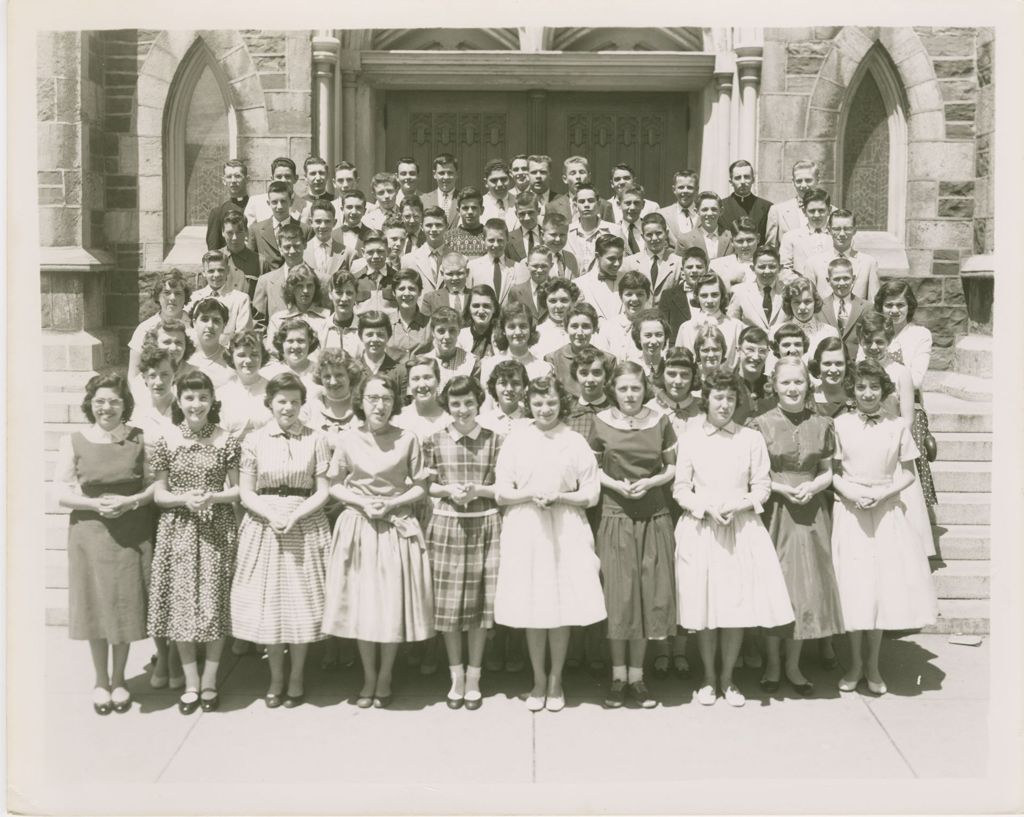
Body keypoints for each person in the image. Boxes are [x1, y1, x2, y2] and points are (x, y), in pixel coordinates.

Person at [672, 367, 794, 707]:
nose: (724, 405)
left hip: (741, 530)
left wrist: (742, 506)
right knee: (706, 608)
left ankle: (729, 680)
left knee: (735, 606)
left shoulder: (750, 439)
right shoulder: (691, 439)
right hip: (703, 529)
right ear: (706, 400)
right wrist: (706, 508)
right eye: (718, 397)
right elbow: (681, 489)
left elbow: (763, 486)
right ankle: (708, 679)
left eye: (730, 398)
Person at [493, 376, 605, 712]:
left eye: (552, 403)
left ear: (562, 404)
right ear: (530, 404)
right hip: (527, 528)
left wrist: (560, 497)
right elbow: (501, 491)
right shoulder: (516, 439)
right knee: (534, 606)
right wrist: (529, 494)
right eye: (539, 403)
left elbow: (591, 492)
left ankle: (556, 680)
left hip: (564, 528)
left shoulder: (573, 441)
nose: (545, 409)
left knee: (560, 607)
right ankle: (538, 679)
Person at [322, 375, 435, 708]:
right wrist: (359, 502)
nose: (379, 405)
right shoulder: (347, 440)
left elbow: (420, 486)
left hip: (394, 526)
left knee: (389, 606)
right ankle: (368, 676)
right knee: (363, 606)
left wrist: (393, 502)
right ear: (361, 401)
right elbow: (335, 485)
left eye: (386, 398)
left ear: (394, 403)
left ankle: (385, 675)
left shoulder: (408, 439)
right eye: (372, 398)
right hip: (358, 527)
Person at [831, 359, 937, 695]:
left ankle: (873, 664)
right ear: (853, 390)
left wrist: (882, 493)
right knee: (855, 588)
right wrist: (851, 493)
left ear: (884, 391)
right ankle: (854, 665)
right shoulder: (841, 424)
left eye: (874, 387)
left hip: (886, 511)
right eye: (861, 387)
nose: (867, 393)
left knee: (880, 589)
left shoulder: (896, 427)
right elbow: (831, 471)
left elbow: (908, 473)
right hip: (851, 511)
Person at [55, 374, 155, 715]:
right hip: (90, 532)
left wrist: (133, 503)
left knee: (124, 604)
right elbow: (60, 492)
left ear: (125, 404)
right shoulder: (75, 440)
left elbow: (154, 486)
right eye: (100, 401)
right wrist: (96, 505)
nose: (107, 407)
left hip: (130, 531)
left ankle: (120, 679)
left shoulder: (139, 439)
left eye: (113, 401)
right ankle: (100, 681)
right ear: (90, 404)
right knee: (96, 606)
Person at [231, 373, 331, 708]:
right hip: (265, 523)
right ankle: (275, 677)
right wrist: (271, 514)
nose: (288, 407)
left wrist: (297, 515)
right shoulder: (254, 440)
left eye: (294, 401)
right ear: (270, 403)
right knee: (271, 606)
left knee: (301, 605)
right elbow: (246, 490)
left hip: (304, 522)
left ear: (303, 404)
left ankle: (298, 676)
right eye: (281, 401)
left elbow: (323, 490)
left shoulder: (316, 439)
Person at [748, 360, 844, 696]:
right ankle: (773, 664)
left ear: (808, 385)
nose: (792, 389)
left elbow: (828, 471)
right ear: (774, 385)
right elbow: (755, 473)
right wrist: (782, 487)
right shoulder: (759, 424)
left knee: (804, 589)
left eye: (798, 382)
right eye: (786, 382)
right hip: (775, 509)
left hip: (810, 511)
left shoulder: (823, 423)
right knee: (776, 586)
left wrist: (814, 487)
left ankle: (793, 664)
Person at [148, 371, 241, 714]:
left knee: (214, 606)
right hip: (179, 532)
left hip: (217, 530)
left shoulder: (226, 439)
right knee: (183, 609)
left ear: (212, 400)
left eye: (202, 397)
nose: (196, 404)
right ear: (179, 400)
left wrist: (213, 496)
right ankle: (190, 683)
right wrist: (184, 499)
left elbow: (238, 490)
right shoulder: (167, 439)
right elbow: (159, 493)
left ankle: (210, 681)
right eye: (189, 397)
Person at [590, 362, 677, 709]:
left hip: (653, 514)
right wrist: (617, 486)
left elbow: (672, 467)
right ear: (614, 390)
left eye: (636, 389)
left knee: (646, 595)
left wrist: (650, 481)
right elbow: (592, 469)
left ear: (645, 389)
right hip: (615, 514)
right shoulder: (601, 422)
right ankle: (617, 676)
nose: (630, 395)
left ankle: (637, 678)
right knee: (619, 597)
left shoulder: (660, 421)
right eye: (624, 389)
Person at [423, 376, 503, 710]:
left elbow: (502, 485)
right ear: (447, 406)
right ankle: (456, 674)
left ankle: (475, 675)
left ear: (478, 402)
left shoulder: (495, 440)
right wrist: (448, 490)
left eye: (469, 402)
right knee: (450, 604)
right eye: (455, 404)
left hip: (485, 525)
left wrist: (478, 491)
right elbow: (429, 485)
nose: (462, 410)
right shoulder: (434, 439)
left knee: (480, 606)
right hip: (448, 527)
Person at [858, 312, 936, 558]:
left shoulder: (900, 372)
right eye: (868, 341)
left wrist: (893, 447)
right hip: (863, 445)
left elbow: (907, 417)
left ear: (889, 340)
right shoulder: (857, 370)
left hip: (892, 447)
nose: (874, 347)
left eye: (880, 341)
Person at [645, 346, 701, 680]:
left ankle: (681, 648)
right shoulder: (651, 410)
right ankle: (661, 649)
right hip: (661, 497)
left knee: (686, 572)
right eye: (672, 374)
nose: (678, 381)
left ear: (693, 377)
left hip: (692, 499)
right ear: (661, 375)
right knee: (662, 571)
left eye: (684, 374)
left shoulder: (701, 411)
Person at [875, 280, 938, 511]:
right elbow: (863, 369)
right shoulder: (874, 331)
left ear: (909, 306)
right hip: (875, 404)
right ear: (880, 306)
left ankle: (915, 510)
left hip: (910, 407)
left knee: (910, 448)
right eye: (889, 305)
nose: (894, 310)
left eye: (900, 305)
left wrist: (886, 368)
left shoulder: (920, 335)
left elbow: (917, 379)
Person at [127, 269, 192, 377]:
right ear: (158, 296)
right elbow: (133, 375)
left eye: (178, 293)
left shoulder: (195, 325)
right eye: (166, 293)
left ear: (185, 297)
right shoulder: (145, 328)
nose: (172, 298)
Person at [805, 209, 881, 302]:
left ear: (854, 231)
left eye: (847, 229)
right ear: (829, 230)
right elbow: (809, 301)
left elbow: (873, 303)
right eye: (836, 229)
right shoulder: (813, 263)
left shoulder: (869, 263)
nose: (842, 234)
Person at [675, 272, 744, 367]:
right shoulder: (686, 328)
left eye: (715, 295)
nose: (710, 301)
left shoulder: (736, 326)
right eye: (704, 295)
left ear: (722, 296)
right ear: (697, 297)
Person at [481, 301, 553, 387]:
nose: (518, 332)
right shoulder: (490, 365)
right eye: (512, 327)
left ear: (531, 329)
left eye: (523, 326)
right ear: (503, 330)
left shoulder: (543, 368)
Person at [218, 330, 271, 442]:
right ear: (231, 357)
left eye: (254, 354)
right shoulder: (221, 394)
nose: (248, 360)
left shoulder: (273, 391)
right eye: (241, 355)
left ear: (262, 356)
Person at [247, 180, 312, 272]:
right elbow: (251, 261)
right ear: (268, 203)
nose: (280, 206)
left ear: (291, 202)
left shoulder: (305, 229)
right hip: (268, 282)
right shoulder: (256, 230)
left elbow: (309, 260)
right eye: (274, 202)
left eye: (283, 201)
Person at [619, 211, 682, 307]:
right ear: (642, 236)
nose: (654, 238)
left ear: (666, 233)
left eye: (659, 233)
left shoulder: (678, 263)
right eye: (649, 235)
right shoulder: (630, 262)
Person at [544, 301, 606, 396]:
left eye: (586, 326)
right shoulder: (552, 359)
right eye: (574, 326)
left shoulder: (607, 360)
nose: (580, 332)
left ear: (594, 329)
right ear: (566, 328)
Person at [128, 318, 197, 404]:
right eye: (167, 342)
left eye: (178, 343)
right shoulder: (144, 379)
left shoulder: (196, 374)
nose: (173, 348)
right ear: (154, 344)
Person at [253, 222, 310, 323]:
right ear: (280, 248)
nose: (292, 251)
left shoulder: (322, 279)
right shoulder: (265, 281)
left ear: (305, 245)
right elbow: (258, 322)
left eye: (296, 246)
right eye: (287, 247)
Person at [305, 348, 362, 447]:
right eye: (327, 376)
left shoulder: (363, 407)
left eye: (339, 375)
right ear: (320, 378)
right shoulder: (310, 408)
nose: (333, 382)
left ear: (350, 375)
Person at [265, 265, 331, 348]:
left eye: (310, 286)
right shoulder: (277, 320)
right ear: (291, 289)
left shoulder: (328, 317)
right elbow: (272, 353)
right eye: (300, 286)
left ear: (316, 288)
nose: (305, 291)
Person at [819, 257, 871, 361]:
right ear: (828, 281)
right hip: (829, 364)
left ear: (853, 278)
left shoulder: (867, 307)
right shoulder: (819, 307)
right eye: (837, 279)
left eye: (846, 278)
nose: (842, 283)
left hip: (857, 365)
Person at [726, 244, 787, 335]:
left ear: (780, 268)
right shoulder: (739, 292)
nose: (767, 271)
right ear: (753, 268)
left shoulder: (787, 291)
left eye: (772, 267)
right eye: (762, 267)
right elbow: (732, 326)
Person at [777, 276, 839, 361]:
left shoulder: (829, 332)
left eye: (807, 301)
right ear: (789, 304)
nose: (802, 307)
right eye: (797, 302)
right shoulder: (777, 330)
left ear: (815, 301)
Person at [393, 355, 452, 443]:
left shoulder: (450, 419)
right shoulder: (398, 420)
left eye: (427, 377)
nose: (422, 385)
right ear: (409, 385)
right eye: (415, 379)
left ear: (438, 380)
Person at [468, 219, 526, 305]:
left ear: (507, 240)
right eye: (491, 240)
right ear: (484, 240)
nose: (496, 245)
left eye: (500, 240)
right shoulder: (472, 267)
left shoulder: (518, 268)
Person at [565, 183, 621, 273]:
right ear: (575, 206)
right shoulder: (566, 232)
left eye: (591, 201)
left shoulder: (614, 231)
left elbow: (623, 262)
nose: (586, 205)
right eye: (582, 201)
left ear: (598, 204)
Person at [186, 298, 238, 390]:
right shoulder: (184, 356)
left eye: (216, 321)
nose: (210, 325)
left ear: (223, 326)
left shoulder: (232, 360)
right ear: (194, 323)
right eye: (204, 319)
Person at [780, 188, 834, 277]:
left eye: (821, 210)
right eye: (812, 211)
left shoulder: (838, 237)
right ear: (804, 211)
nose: (817, 215)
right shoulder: (790, 237)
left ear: (829, 210)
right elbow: (784, 270)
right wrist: (803, 286)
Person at [355, 310, 408, 400]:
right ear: (360, 336)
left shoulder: (400, 372)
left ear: (388, 336)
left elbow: (403, 408)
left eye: (380, 335)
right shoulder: (352, 369)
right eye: (369, 334)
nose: (375, 339)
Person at [765, 159, 820, 246]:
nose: (803, 185)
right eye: (799, 181)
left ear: (817, 180)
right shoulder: (778, 211)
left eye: (808, 180)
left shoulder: (831, 211)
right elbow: (771, 250)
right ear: (793, 182)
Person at [575, 233, 627, 325]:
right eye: (612, 259)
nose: (617, 264)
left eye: (620, 258)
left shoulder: (628, 280)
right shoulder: (579, 285)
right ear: (597, 256)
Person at [423, 306, 479, 388]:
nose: (447, 336)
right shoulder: (423, 362)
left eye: (452, 330)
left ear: (459, 331)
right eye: (441, 331)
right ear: (433, 332)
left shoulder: (472, 362)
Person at [719, 159, 772, 243]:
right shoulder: (720, 207)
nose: (743, 181)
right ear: (731, 182)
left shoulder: (767, 207)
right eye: (738, 178)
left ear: (753, 179)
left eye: (746, 177)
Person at [262, 317, 320, 394]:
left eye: (301, 341)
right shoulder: (268, 373)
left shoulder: (320, 372)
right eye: (290, 341)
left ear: (310, 342)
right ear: (281, 343)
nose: (295, 346)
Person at [401, 205, 449, 297]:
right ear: (422, 227)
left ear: (446, 227)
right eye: (429, 225)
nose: (434, 229)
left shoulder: (459, 257)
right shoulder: (408, 260)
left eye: (438, 225)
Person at [302, 201, 351, 289]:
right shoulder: (302, 251)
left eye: (327, 221)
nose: (323, 226)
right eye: (318, 221)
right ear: (310, 222)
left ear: (334, 223)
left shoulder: (348, 253)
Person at [205, 159, 251, 251]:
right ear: (224, 180)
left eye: (238, 176)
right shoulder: (217, 213)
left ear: (247, 179)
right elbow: (213, 251)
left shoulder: (257, 206)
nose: (233, 180)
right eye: (229, 177)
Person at [318, 270, 365, 358]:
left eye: (349, 293)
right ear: (330, 294)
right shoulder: (321, 329)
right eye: (339, 293)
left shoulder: (364, 329)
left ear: (356, 295)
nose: (344, 299)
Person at [675, 191, 734, 261]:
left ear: (721, 211)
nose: (709, 213)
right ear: (696, 211)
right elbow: (680, 267)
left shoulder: (731, 237)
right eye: (704, 209)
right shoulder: (685, 240)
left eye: (714, 209)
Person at [388, 270, 431, 360]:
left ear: (419, 292)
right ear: (393, 292)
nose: (406, 293)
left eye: (412, 289)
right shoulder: (385, 323)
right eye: (401, 289)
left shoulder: (430, 324)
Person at [532, 278, 580, 359]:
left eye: (564, 300)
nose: (558, 306)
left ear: (573, 301)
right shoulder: (538, 333)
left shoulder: (582, 330)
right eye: (553, 301)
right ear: (545, 302)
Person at [479, 359, 529, 436]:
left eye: (515, 383)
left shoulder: (532, 420)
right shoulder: (482, 423)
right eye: (503, 383)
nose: (509, 389)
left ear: (523, 387)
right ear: (493, 386)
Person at [810, 336, 856, 419]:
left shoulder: (856, 397)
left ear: (846, 365)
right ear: (818, 365)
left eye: (839, 363)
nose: (833, 370)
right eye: (827, 364)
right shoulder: (809, 400)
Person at [709, 216, 759, 291]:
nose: (745, 245)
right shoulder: (717, 266)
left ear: (758, 238)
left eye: (749, 240)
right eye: (740, 241)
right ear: (732, 242)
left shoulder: (768, 264)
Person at [659, 169, 700, 250]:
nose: (685, 191)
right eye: (681, 187)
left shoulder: (703, 214)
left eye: (690, 187)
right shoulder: (662, 215)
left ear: (696, 190)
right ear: (674, 189)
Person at [456, 285, 500, 360]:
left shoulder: (501, 336)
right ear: (469, 308)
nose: (481, 311)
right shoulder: (460, 336)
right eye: (476, 306)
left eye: (486, 306)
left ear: (494, 308)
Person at [444, 187, 487, 258]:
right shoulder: (448, 237)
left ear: (482, 210)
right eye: (465, 208)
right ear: (458, 211)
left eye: (474, 208)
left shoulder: (489, 236)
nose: (470, 212)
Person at [628, 308, 671, 379]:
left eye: (658, 335)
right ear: (638, 338)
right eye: (648, 335)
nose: (653, 341)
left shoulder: (670, 367)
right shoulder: (631, 368)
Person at [422, 152, 460, 226]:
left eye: (450, 173)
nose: (446, 177)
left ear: (457, 174)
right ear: (434, 174)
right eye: (441, 173)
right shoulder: (424, 199)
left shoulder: (463, 199)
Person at [505, 191, 542, 261]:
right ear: (516, 214)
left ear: (538, 211)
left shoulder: (548, 236)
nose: (527, 218)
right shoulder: (508, 240)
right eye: (522, 214)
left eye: (531, 212)